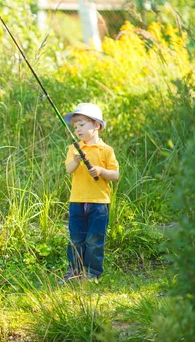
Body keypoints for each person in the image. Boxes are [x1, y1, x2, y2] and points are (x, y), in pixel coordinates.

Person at [62, 103, 119, 283]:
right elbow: (69, 169)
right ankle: (74, 271)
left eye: (82, 124)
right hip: (77, 200)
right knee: (76, 238)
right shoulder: (74, 148)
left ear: (96, 126)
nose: (78, 129)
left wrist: (101, 171)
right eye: (75, 126)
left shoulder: (106, 150)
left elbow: (115, 174)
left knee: (95, 239)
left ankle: (93, 273)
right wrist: (77, 161)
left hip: (99, 202)